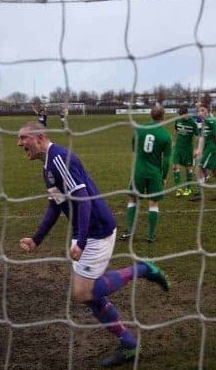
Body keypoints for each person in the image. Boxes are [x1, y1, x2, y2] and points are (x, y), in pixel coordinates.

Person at [16, 121, 170, 367]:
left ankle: (143, 269)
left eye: (24, 138)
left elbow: (84, 200)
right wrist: (37, 239)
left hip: (97, 230)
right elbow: (55, 206)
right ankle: (129, 345)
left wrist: (80, 240)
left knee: (82, 292)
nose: (19, 143)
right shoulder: (48, 166)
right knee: (89, 296)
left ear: (40, 137)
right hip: (89, 229)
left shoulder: (58, 159)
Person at [122, 105, 172, 242]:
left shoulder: (139, 129)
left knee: (133, 199)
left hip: (138, 170)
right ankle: (150, 235)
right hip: (154, 173)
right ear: (163, 117)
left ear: (151, 115)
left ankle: (130, 231)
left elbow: (134, 149)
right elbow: (167, 161)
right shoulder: (166, 135)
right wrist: (164, 177)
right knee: (153, 203)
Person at [190, 102, 216, 201]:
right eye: (199, 110)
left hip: (211, 149)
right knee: (215, 170)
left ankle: (199, 193)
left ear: (208, 111)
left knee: (199, 167)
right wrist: (198, 149)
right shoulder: (202, 122)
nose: (200, 112)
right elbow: (201, 137)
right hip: (206, 148)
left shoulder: (211, 121)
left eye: (203, 110)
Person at [171, 106, 198, 197]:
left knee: (188, 168)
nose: (182, 117)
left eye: (183, 115)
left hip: (188, 149)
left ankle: (188, 188)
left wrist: (195, 149)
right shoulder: (178, 120)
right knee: (175, 167)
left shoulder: (192, 123)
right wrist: (173, 142)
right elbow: (175, 130)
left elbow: (197, 136)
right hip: (178, 148)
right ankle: (178, 189)